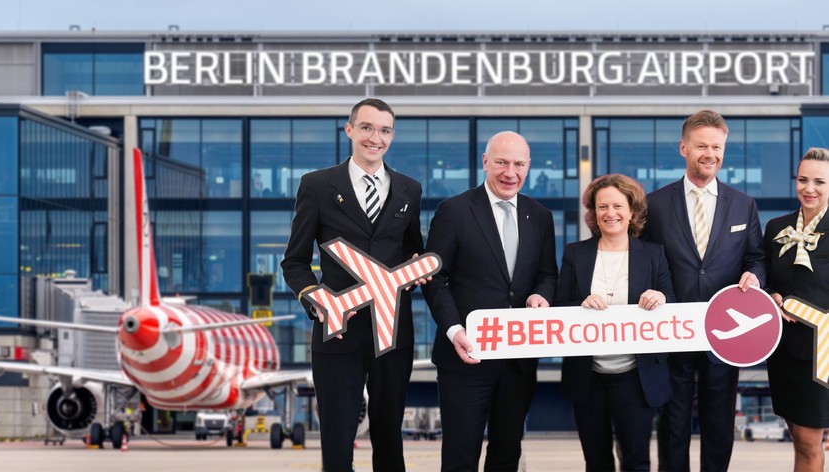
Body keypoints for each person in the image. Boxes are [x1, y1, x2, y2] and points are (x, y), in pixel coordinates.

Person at [281, 98, 423, 472]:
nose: (376, 138)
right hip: (337, 331)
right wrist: (314, 297)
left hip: (392, 332)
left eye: (385, 130)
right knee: (337, 438)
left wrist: (415, 269)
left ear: (392, 136)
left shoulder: (410, 189)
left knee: (390, 437)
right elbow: (294, 261)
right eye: (367, 128)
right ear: (350, 130)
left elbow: (414, 251)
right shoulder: (316, 186)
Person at [422, 131, 558, 472]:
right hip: (465, 357)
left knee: (506, 453)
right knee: (460, 455)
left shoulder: (540, 216)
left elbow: (547, 274)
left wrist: (542, 294)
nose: (510, 172)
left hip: (517, 360)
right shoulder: (453, 211)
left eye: (518, 164)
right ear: (485, 162)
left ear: (528, 167)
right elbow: (435, 278)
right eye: (501, 162)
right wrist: (454, 330)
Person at [644, 109, 764, 472]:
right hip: (671, 334)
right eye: (701, 146)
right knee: (673, 424)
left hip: (723, 334)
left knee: (719, 425)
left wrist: (755, 277)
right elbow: (642, 262)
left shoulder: (744, 204)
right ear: (683, 148)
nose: (709, 153)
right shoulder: (655, 204)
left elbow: (756, 257)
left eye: (716, 146)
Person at [558, 174, 674, 471]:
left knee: (636, 461)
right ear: (593, 213)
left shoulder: (653, 255)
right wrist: (580, 305)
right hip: (588, 377)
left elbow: (672, 305)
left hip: (635, 377)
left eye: (618, 206)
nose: (610, 213)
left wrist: (658, 297)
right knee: (596, 461)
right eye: (602, 207)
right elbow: (559, 307)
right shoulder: (575, 253)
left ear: (632, 211)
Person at [764, 147, 829, 472]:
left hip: (825, 350)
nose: (809, 188)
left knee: (810, 443)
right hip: (787, 353)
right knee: (802, 441)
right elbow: (764, 278)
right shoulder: (776, 227)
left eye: (819, 181)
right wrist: (770, 296)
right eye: (803, 179)